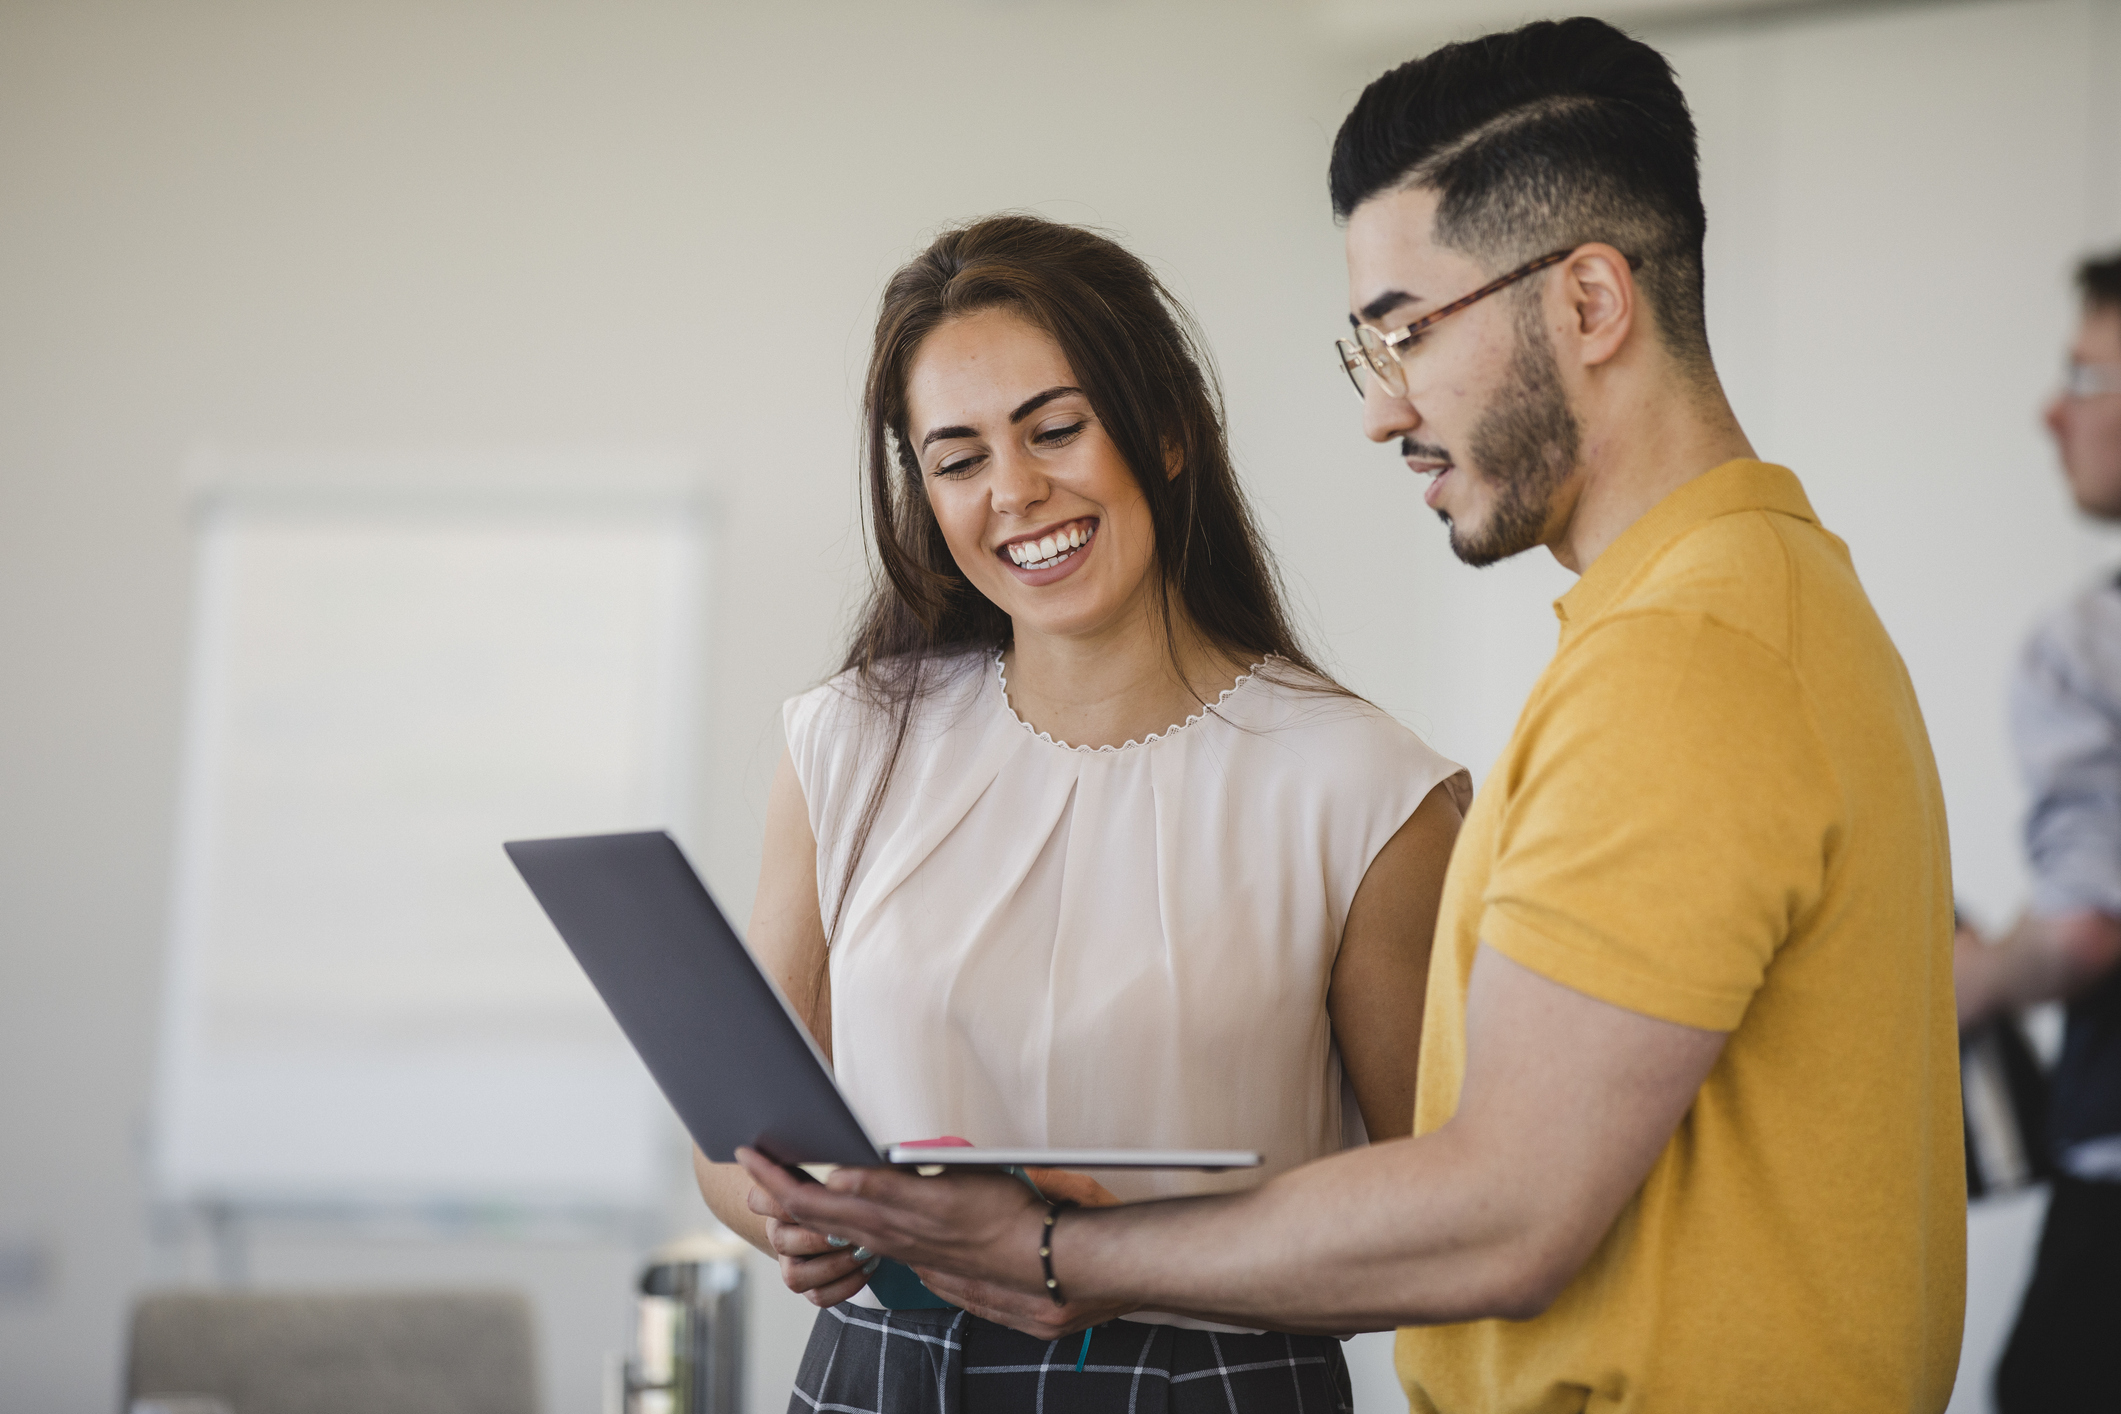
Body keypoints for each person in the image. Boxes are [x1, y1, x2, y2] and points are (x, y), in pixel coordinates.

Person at [741, 18, 1967, 1412]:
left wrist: (1054, 1246)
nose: (1384, 411)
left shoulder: (1682, 658)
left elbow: (1499, 1205)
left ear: (1586, 303)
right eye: (956, 456)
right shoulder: (1745, 605)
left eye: (1405, 332)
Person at [694, 214, 1470, 1411]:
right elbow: (728, 1142)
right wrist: (793, 1220)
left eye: (1057, 429)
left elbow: (1448, 1218)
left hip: (1206, 1378)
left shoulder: (1366, 790)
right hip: (878, 1372)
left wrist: (1104, 1256)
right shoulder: (846, 740)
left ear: (1165, 429)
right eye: (957, 460)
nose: (1016, 492)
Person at [1956, 248, 2121, 1413]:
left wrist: (1969, 976)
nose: (2050, 409)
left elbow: (2089, 930)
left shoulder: (2088, 646)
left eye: (2086, 373)